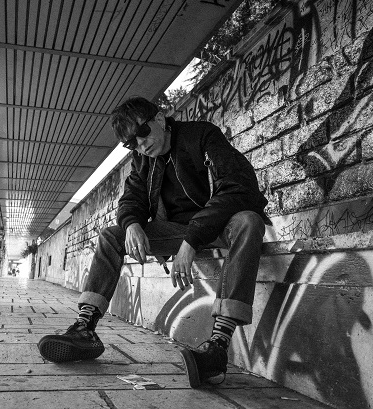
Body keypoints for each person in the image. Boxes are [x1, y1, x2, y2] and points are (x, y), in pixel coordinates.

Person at [37, 96, 271, 387]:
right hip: (177, 231)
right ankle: (84, 329)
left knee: (249, 221)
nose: (140, 145)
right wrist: (132, 224)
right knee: (111, 235)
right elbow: (131, 199)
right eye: (131, 144)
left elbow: (238, 186)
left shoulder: (202, 135)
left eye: (143, 133)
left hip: (220, 225)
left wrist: (192, 240)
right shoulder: (142, 160)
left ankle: (217, 348)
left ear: (160, 119)